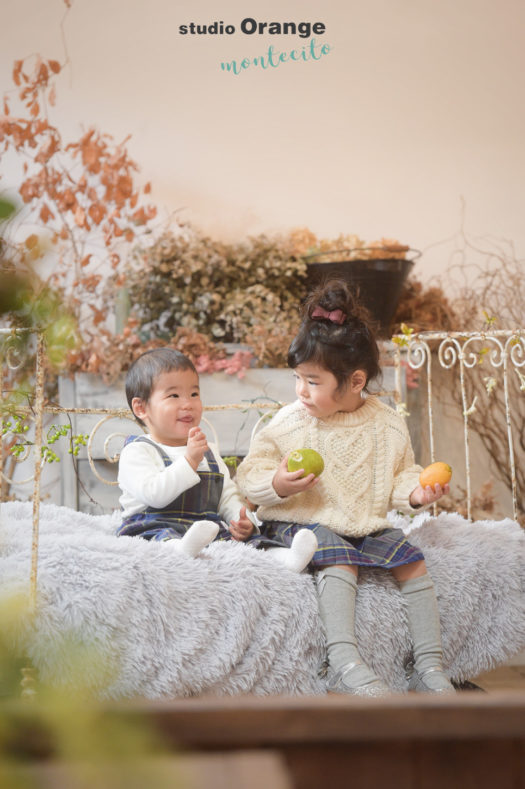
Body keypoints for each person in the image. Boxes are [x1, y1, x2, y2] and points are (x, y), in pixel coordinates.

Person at [236, 279, 454, 695]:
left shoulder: (386, 422)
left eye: (313, 381)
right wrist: (278, 484)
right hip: (300, 521)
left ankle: (429, 667)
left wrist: (415, 494)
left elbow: (400, 476)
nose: (301, 390)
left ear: (355, 381)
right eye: (298, 378)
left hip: (362, 523)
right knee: (338, 558)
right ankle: (345, 663)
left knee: (412, 560)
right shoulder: (289, 422)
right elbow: (250, 475)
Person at [117, 347, 317, 572]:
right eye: (173, 395)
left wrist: (241, 518)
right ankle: (180, 549)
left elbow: (226, 495)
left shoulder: (208, 450)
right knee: (160, 538)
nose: (188, 404)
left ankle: (286, 558)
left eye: (194, 394)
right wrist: (190, 461)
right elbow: (155, 495)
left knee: (249, 544)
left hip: (204, 530)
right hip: (152, 526)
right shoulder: (138, 451)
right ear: (141, 408)